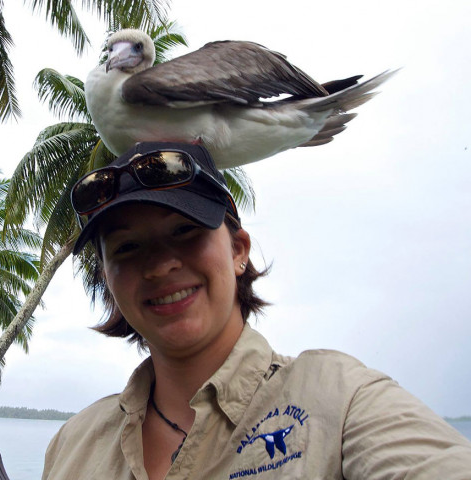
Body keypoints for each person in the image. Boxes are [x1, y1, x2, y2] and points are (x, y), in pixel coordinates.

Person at [42, 141, 471, 479]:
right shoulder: (74, 443)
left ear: (238, 250)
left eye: (184, 231)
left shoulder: (339, 400)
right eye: (128, 247)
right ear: (108, 280)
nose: (160, 265)